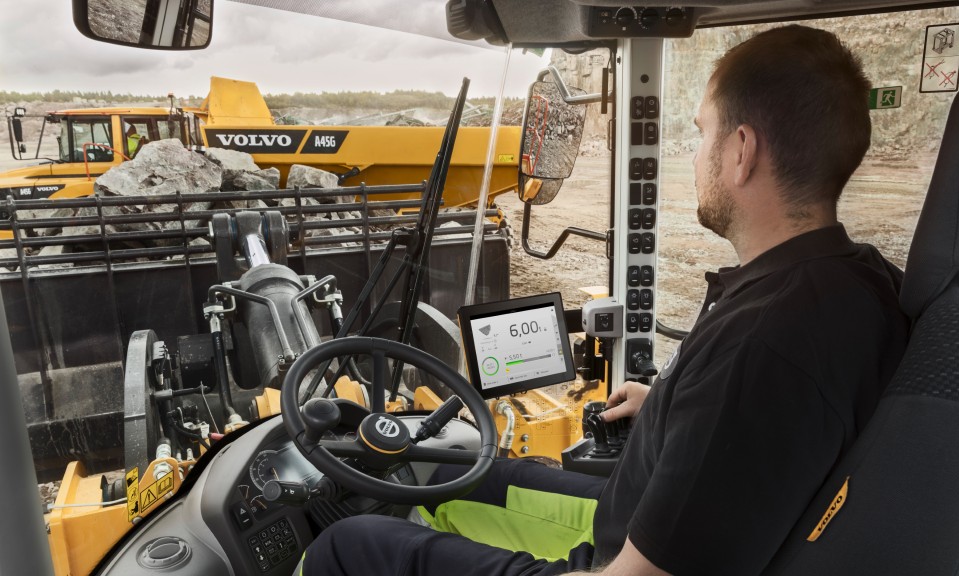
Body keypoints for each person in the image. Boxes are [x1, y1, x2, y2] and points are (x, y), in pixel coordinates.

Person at [300, 24, 909, 575]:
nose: (696, 156)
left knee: (347, 546)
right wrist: (671, 405)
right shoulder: (858, 279)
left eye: (702, 134)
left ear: (740, 151)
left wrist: (707, 406)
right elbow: (756, 434)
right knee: (462, 475)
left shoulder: (762, 346)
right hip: (641, 507)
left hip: (614, 558)